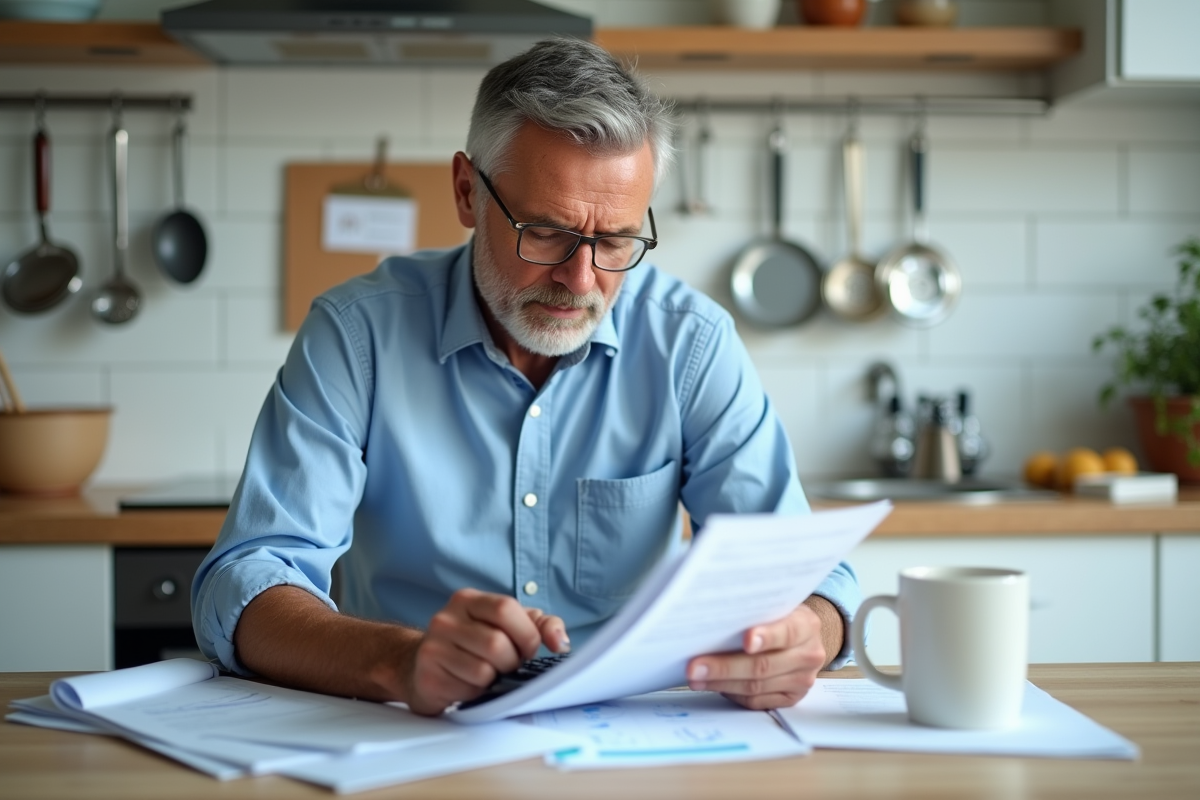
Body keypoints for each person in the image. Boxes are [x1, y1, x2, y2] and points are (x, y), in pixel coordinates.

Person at [192, 38, 859, 717]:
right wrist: (400, 661)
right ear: (465, 192)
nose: (580, 279)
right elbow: (244, 585)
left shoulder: (690, 342)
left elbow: (811, 578)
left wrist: (809, 633)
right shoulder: (356, 334)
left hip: (637, 737)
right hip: (411, 733)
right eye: (544, 232)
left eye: (615, 241)